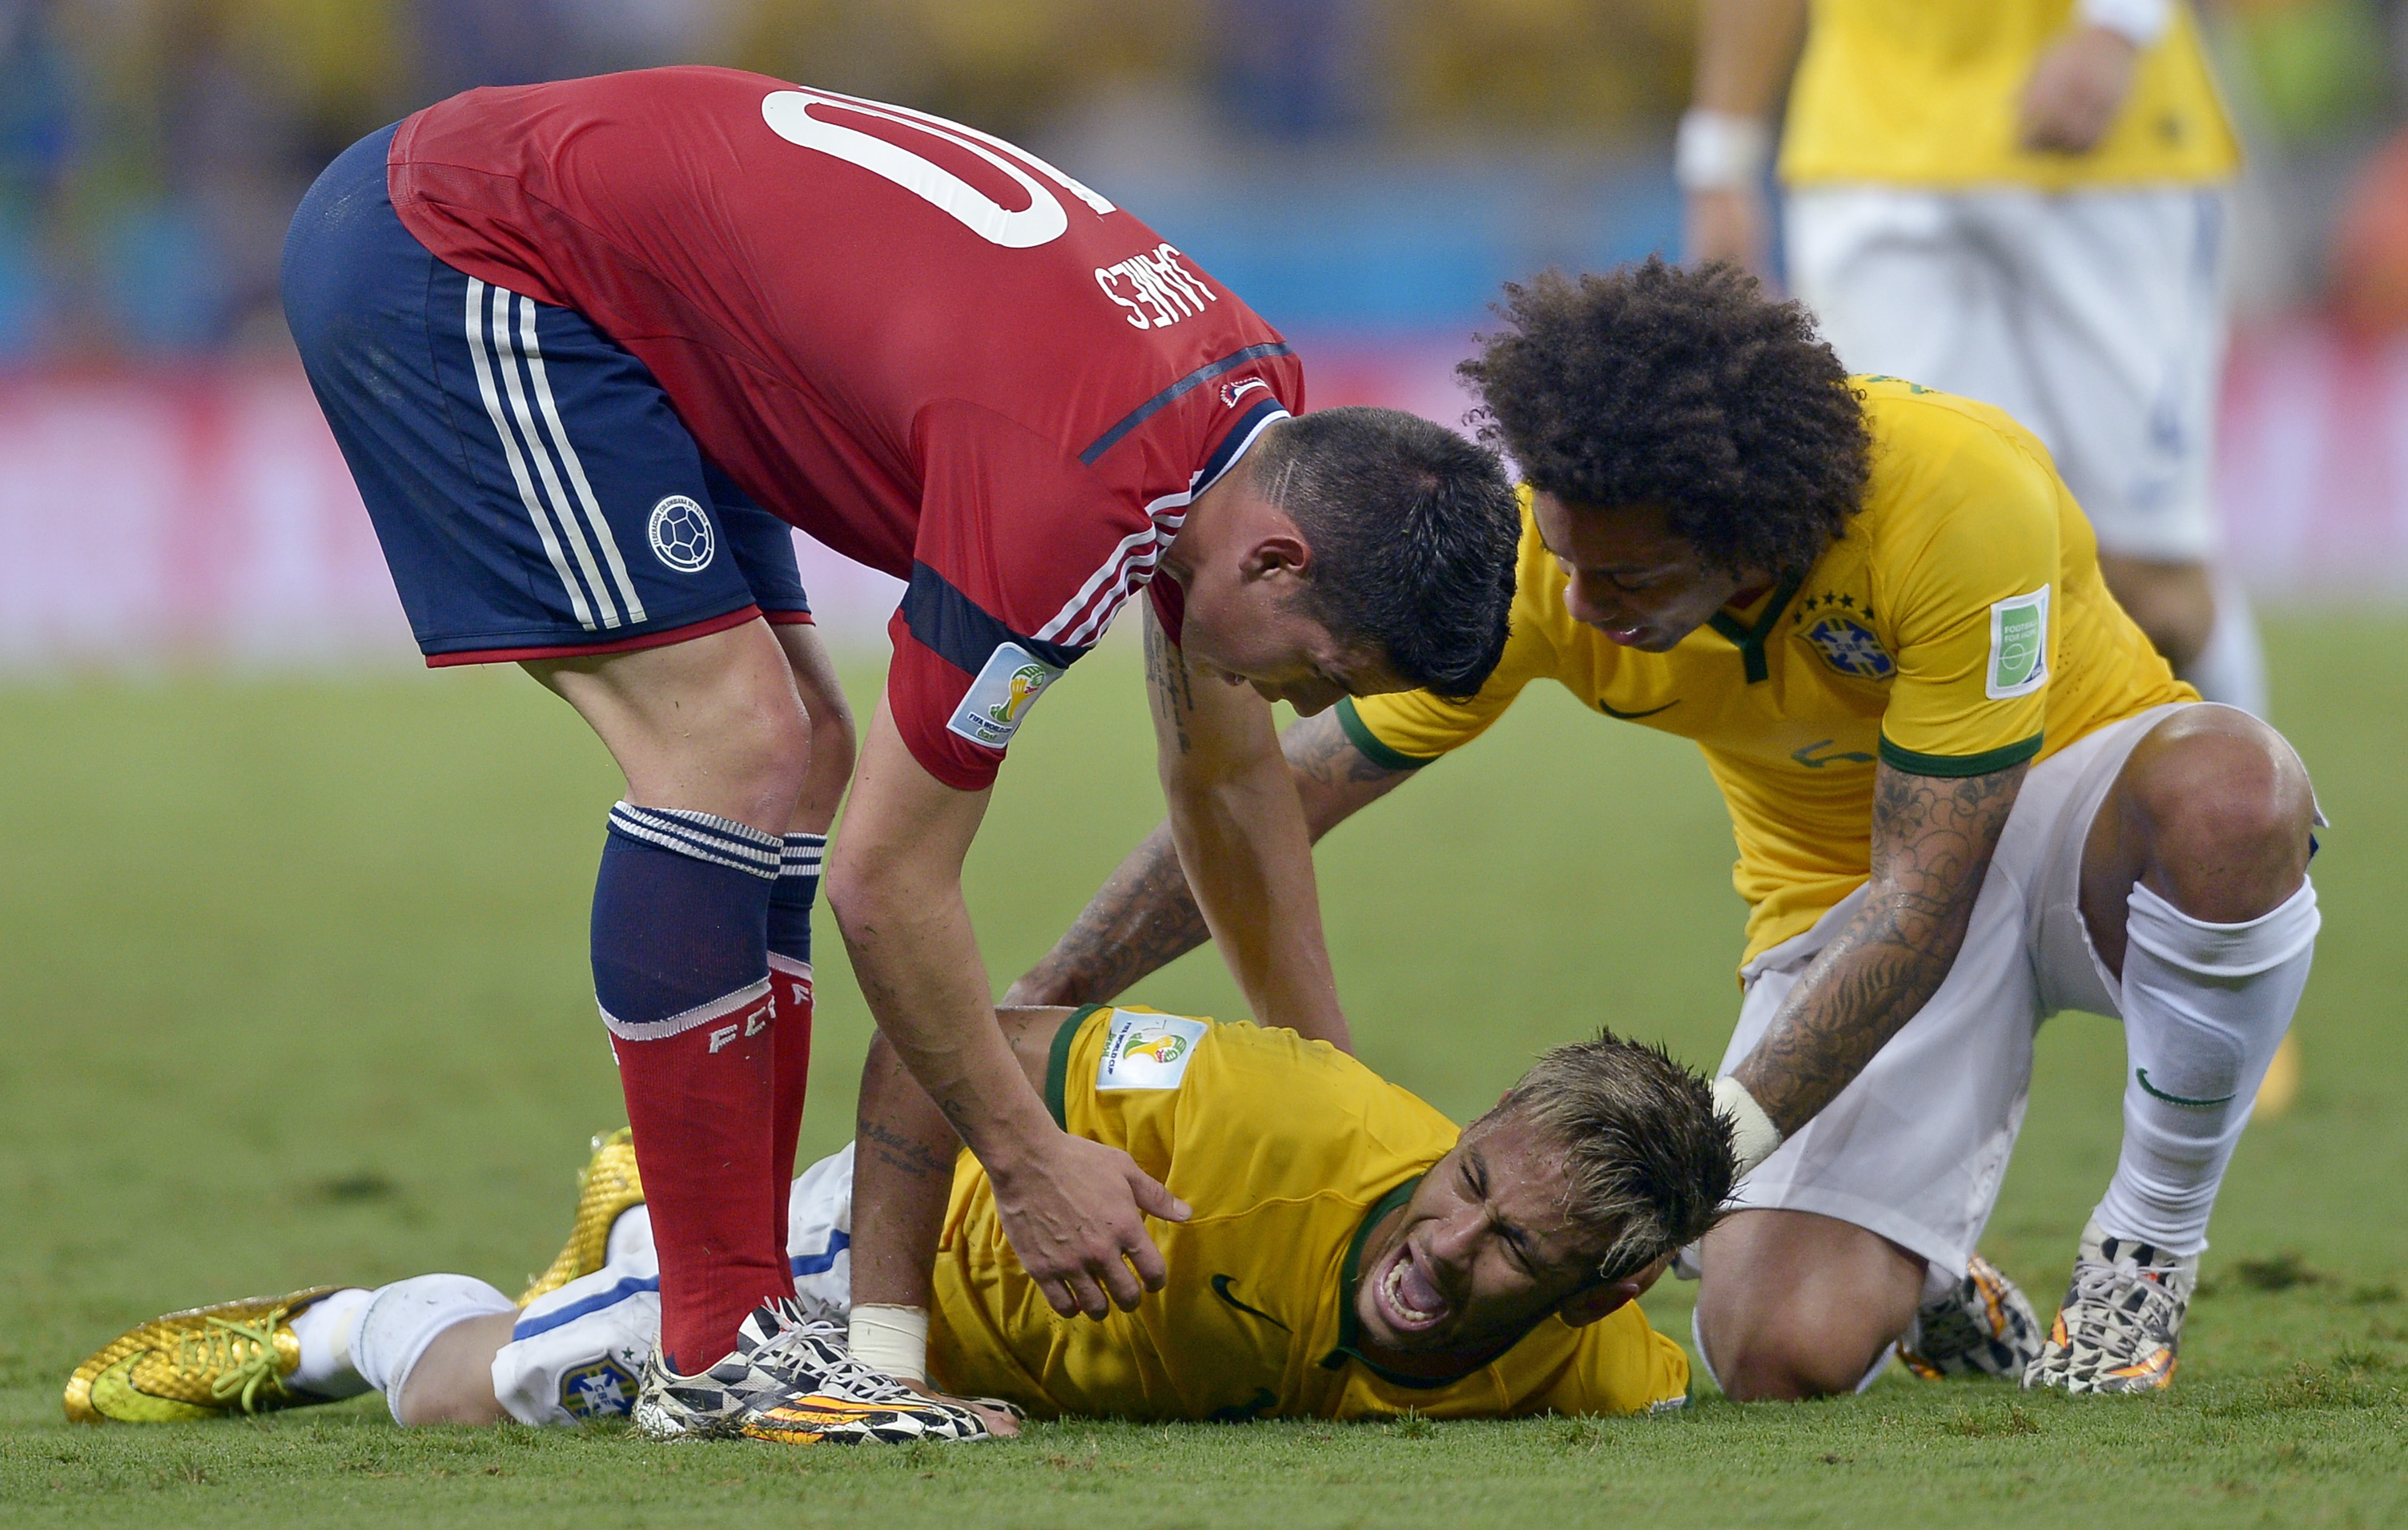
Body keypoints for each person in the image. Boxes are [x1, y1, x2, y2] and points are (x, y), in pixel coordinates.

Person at [279, 68, 1522, 1439]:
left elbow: (1228, 784)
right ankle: (721, 1352)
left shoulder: (1250, 420)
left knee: (801, 754)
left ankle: (740, 1310)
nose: (1295, 707)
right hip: (461, 246)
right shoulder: (1076, 491)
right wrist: (1028, 1160)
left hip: (617, 281)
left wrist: (1340, 1105)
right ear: (1279, 560)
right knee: (737, 749)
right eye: (1322, 672)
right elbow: (886, 886)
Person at [1007, 261, 2323, 1399]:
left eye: (1625, 577)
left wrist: (1701, 1167)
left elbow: (1931, 897)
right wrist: (1049, 995)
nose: (1575, 605)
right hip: (1842, 898)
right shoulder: (1555, 568)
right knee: (1771, 1351)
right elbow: (1277, 800)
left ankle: (2140, 1252)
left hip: (2065, 828)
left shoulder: (1952, 494)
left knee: (2233, 796)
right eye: (1567, 560)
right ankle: (1925, 1281)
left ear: (1747, 534)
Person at [64, 1006, 1727, 1434]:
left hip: (993, 1365)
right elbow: (946, 1056)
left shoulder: (1600, 1375)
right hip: (883, 1261)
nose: (1448, 1240)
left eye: (1515, 1248)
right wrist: (877, 1356)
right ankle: (337, 1326)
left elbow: (1757, 1388)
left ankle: (643, 1218)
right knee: (492, 1393)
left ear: (1599, 1294)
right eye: (1469, 1182)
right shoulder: (1269, 1112)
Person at [1679, 0, 2268, 722]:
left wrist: (2116, 28)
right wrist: (1718, 156)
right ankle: (1972, 826)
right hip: (1869, 156)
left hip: (2109, 149)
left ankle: (2251, 816)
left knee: (2150, 590)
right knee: (1914, 560)